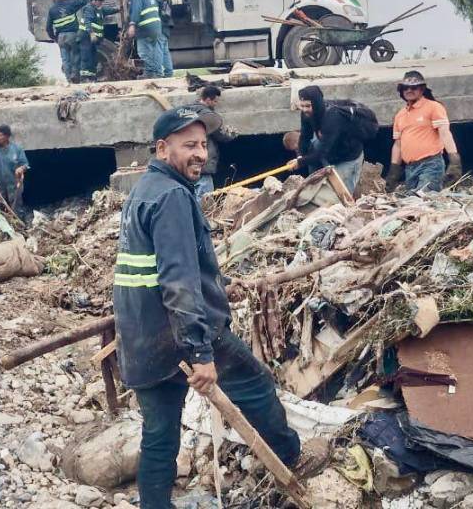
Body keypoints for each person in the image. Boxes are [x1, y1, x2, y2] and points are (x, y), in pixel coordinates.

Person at [114, 106, 325, 508]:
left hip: (141, 337)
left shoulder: (143, 190)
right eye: (188, 145)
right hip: (182, 335)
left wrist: (220, 286)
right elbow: (178, 283)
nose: (199, 153)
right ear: (162, 148)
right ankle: (293, 457)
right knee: (256, 384)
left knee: (159, 436)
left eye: (202, 144)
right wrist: (199, 353)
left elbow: (165, 266)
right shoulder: (174, 196)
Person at [383, 72, 463, 193]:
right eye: (405, 88)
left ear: (422, 89)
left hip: (431, 164)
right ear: (401, 90)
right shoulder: (400, 115)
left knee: (423, 198)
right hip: (410, 168)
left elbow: (445, 133)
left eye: (414, 87)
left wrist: (454, 160)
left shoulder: (433, 107)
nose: (409, 90)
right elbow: (398, 145)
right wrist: (393, 171)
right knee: (412, 200)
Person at [288, 85, 366, 196]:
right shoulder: (306, 114)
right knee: (313, 149)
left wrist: (301, 162)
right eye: (302, 106)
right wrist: (300, 155)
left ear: (316, 104)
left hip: (348, 156)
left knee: (341, 197)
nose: (305, 109)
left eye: (308, 106)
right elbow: (305, 137)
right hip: (328, 150)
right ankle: (316, 181)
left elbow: (323, 151)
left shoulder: (333, 117)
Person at [190, 86, 238, 198]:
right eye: (215, 101)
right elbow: (220, 136)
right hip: (204, 164)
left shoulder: (188, 110)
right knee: (205, 198)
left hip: (189, 163)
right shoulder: (208, 117)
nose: (216, 104)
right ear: (208, 100)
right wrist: (232, 135)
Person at [125, 0, 167, 78]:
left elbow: (136, 10)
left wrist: (132, 25)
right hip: (156, 26)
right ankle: (158, 73)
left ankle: (149, 73)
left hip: (145, 27)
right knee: (155, 50)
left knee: (144, 51)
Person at [46, 0, 90, 82]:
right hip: (72, 34)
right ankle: (74, 74)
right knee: (76, 54)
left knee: (65, 59)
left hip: (60, 37)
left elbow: (48, 27)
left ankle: (68, 79)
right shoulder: (70, 4)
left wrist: (54, 37)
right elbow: (82, 2)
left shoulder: (52, 10)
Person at [76, 0, 118, 80]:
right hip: (86, 37)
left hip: (93, 39)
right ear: (93, 0)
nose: (101, 2)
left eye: (101, 0)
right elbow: (88, 22)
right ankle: (85, 78)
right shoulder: (89, 8)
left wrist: (119, 9)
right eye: (99, 0)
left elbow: (109, 10)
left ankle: (92, 77)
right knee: (86, 57)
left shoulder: (99, 9)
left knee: (93, 58)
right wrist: (91, 33)